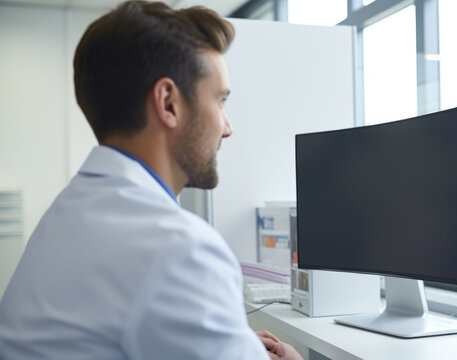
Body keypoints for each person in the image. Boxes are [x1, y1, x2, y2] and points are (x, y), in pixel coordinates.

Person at [0, 1, 303, 359]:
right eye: (220, 101)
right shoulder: (180, 248)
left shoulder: (64, 216)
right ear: (169, 103)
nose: (227, 127)